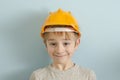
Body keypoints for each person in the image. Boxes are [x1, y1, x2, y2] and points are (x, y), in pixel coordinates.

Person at [29, 8, 96, 80]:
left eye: (66, 43)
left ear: (76, 43)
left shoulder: (88, 76)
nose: (59, 50)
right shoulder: (38, 77)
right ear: (46, 44)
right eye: (53, 44)